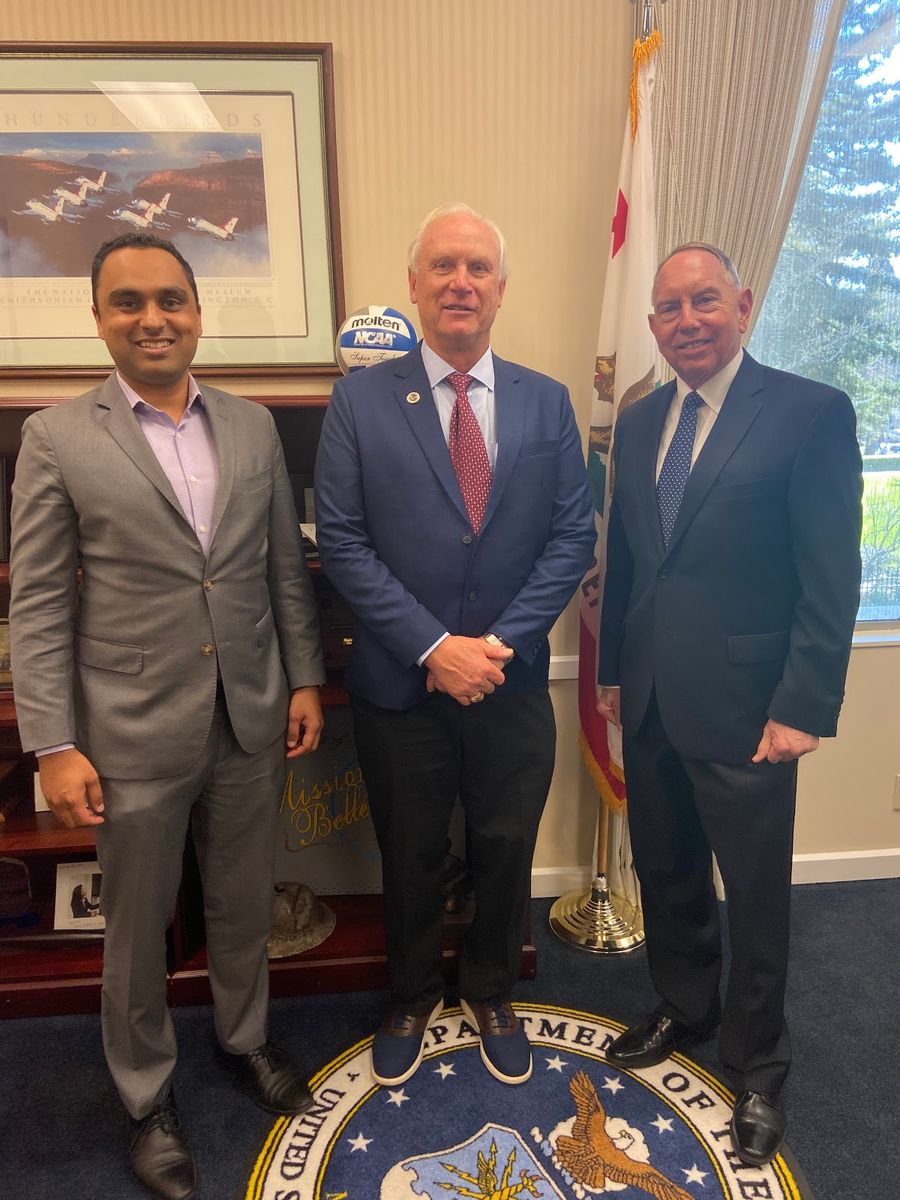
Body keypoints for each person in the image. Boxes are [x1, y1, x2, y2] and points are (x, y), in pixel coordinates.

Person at [9, 232, 326, 1200]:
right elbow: (39, 603)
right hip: (128, 732)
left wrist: (304, 679)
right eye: (129, 302)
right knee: (136, 926)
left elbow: (281, 567)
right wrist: (53, 743)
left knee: (241, 900)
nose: (153, 318)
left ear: (198, 310)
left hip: (249, 713)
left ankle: (241, 1039)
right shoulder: (56, 437)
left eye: (172, 300)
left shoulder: (253, 425)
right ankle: (147, 1097)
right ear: (98, 317)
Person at [315, 203, 596, 1089]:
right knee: (408, 847)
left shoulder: (546, 401)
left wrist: (495, 648)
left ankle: (489, 987)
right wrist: (435, 646)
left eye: (477, 268)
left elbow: (571, 537)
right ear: (415, 285)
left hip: (508, 685)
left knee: (508, 839)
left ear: (501, 290)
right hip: (402, 682)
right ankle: (408, 994)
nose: (460, 282)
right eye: (442, 266)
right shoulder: (359, 400)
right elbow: (342, 539)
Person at [596, 243, 862, 1166]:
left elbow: (832, 580)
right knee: (667, 870)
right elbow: (629, 562)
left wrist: (804, 707)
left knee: (753, 892)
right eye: (668, 309)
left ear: (743, 305)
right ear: (654, 326)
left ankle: (758, 1063)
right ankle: (685, 1005)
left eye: (703, 301)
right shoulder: (638, 424)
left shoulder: (808, 413)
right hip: (654, 699)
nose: (687, 321)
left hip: (754, 713)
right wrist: (613, 673)